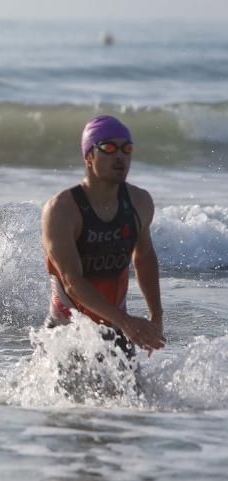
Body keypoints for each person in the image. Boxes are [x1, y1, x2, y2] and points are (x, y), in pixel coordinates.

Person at [41, 115, 165, 357]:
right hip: (67, 334)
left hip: (115, 330)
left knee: (138, 395)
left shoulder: (139, 202)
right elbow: (71, 282)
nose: (120, 156)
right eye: (108, 148)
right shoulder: (62, 210)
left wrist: (156, 316)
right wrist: (128, 322)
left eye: (126, 148)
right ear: (89, 156)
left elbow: (144, 258)